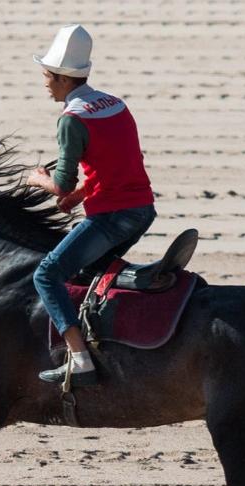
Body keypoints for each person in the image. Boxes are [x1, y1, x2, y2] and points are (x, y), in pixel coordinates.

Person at [26, 24, 156, 386]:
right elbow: (115, 167)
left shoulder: (71, 119)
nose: (44, 83)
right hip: (142, 210)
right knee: (90, 273)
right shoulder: (114, 103)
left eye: (47, 76)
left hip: (112, 218)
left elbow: (62, 181)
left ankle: (80, 360)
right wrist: (79, 197)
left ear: (64, 79)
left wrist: (38, 179)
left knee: (47, 274)